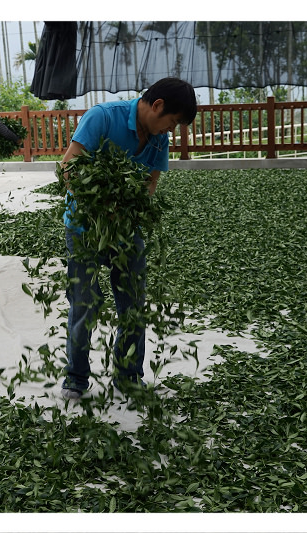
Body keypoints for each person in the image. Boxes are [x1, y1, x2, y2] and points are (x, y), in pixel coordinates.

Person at [59, 77, 197, 400]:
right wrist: (101, 207)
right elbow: (67, 168)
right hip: (85, 228)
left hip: (126, 230)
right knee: (84, 304)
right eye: (173, 121)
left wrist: (129, 212)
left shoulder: (159, 140)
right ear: (158, 106)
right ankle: (76, 378)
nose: (171, 130)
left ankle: (128, 376)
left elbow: (150, 186)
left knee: (133, 306)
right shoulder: (103, 118)